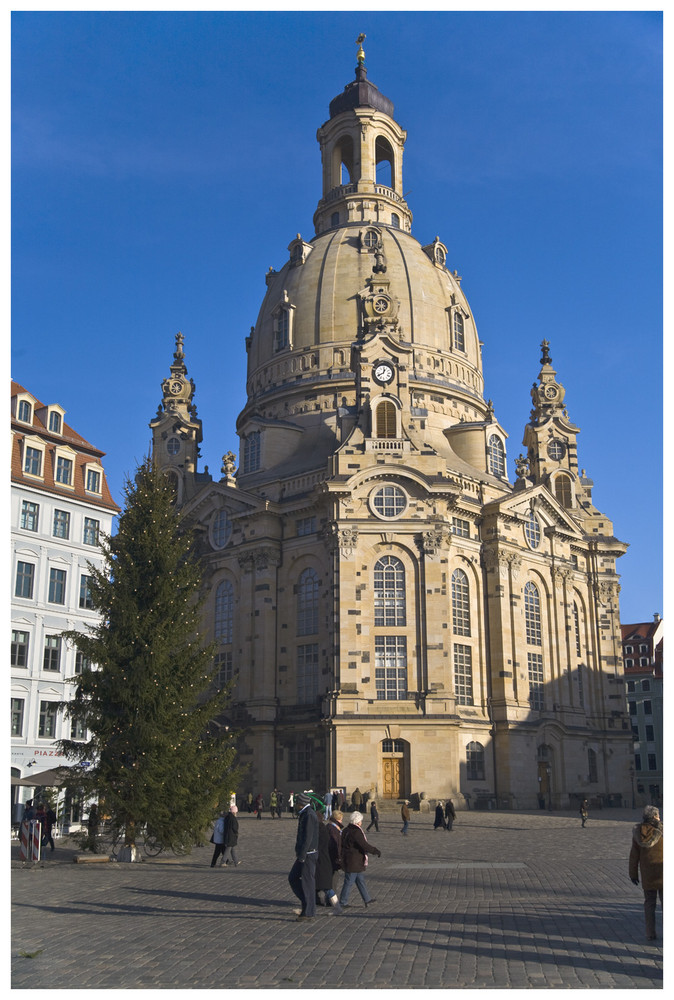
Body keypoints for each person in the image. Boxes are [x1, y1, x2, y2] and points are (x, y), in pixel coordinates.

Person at [629, 804, 663, 940]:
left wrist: (633, 874)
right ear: (654, 816)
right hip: (663, 873)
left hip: (648, 874)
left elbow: (634, 856)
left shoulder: (638, 832)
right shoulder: (663, 830)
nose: (660, 817)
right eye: (658, 815)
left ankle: (650, 933)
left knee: (649, 904)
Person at [288, 792, 319, 921]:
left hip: (308, 854)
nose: (295, 805)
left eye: (296, 803)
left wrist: (302, 855)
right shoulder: (305, 814)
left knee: (307, 882)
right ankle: (307, 903)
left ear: (301, 804)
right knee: (293, 878)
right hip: (304, 853)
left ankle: (309, 911)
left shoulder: (309, 815)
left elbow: (308, 837)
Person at [339, 811, 381, 907]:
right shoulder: (356, 832)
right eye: (361, 821)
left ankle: (367, 899)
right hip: (354, 861)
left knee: (360, 881)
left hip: (352, 860)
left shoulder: (346, 829)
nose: (361, 822)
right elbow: (364, 845)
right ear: (358, 821)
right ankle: (342, 901)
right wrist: (375, 851)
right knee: (349, 882)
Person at [315, 808, 340, 910]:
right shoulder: (323, 829)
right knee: (317, 885)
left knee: (326, 887)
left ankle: (337, 906)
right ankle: (310, 905)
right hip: (322, 861)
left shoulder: (322, 830)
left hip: (322, 861)